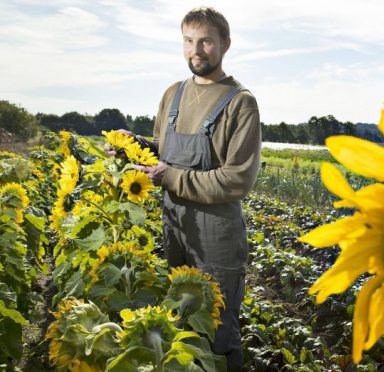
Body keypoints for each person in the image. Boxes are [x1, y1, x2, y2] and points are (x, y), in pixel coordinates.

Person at [107, 6, 260, 371]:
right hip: (175, 227)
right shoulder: (173, 94)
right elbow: (164, 152)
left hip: (217, 235)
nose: (196, 50)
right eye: (188, 41)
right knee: (180, 325)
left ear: (225, 44)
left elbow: (237, 178)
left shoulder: (240, 103)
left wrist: (170, 177)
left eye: (206, 41)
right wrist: (135, 145)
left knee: (218, 334)